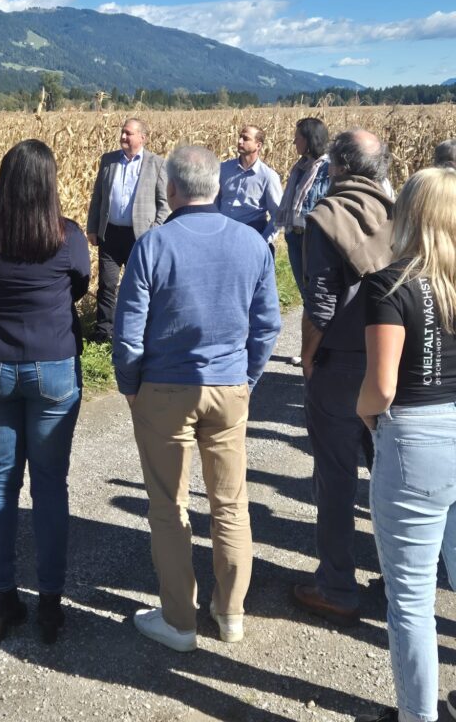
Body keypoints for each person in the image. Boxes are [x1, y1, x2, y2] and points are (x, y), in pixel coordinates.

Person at [113, 145, 281, 651]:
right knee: (230, 503)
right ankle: (230, 613)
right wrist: (245, 380)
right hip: (228, 386)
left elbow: (128, 334)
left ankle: (179, 620)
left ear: (171, 189)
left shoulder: (154, 245)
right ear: (220, 186)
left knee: (169, 506)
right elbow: (268, 326)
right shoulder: (252, 244)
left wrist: (129, 386)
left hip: (165, 388)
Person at [0, 140, 90, 645]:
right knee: (50, 485)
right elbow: (78, 285)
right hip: (53, 362)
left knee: (0, 479)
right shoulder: (67, 235)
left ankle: (2, 596)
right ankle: (51, 603)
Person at [355, 168, 456, 722]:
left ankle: (418, 717)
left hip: (415, 438)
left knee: (412, 599)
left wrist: (363, 412)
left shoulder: (390, 285)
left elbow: (383, 385)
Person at [294, 129, 394, 626]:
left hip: (341, 366)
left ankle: (336, 587)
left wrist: (308, 357)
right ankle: (399, 579)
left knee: (335, 479)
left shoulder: (326, 217)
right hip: (392, 365)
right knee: (391, 476)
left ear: (337, 167)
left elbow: (320, 305)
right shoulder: (401, 214)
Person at [86, 118, 169, 343]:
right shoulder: (109, 160)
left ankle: (138, 332)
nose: (123, 137)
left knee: (140, 286)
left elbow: (165, 204)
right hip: (110, 233)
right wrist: (92, 227)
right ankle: (104, 331)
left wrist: (154, 232)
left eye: (128, 133)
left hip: (140, 237)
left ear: (142, 137)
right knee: (107, 284)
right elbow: (98, 197)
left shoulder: (157, 164)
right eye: (122, 132)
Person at [275, 117, 331, 301]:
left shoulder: (328, 170)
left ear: (309, 140)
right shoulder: (299, 168)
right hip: (294, 236)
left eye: (297, 138)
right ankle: (311, 328)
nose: (293, 142)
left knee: (319, 296)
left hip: (315, 240)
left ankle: (322, 329)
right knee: (305, 295)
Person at [217, 125, 282, 252]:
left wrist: (263, 241)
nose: (239, 141)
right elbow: (214, 200)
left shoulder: (268, 176)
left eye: (245, 138)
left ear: (258, 145)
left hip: (252, 235)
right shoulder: (223, 169)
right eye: (240, 137)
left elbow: (278, 215)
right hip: (223, 235)